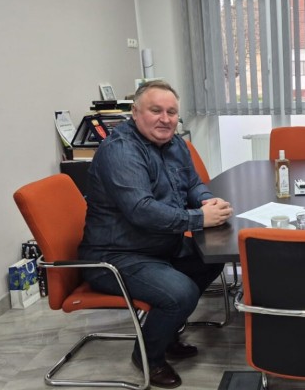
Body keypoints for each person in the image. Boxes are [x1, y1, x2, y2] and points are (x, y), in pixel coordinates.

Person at [78, 80, 232, 388]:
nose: (165, 119)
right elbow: (142, 211)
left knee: (212, 258)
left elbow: (193, 183)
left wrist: (205, 200)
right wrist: (199, 218)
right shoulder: (121, 151)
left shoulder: (175, 143)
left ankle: (165, 331)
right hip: (116, 256)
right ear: (135, 113)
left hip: (159, 246)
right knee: (180, 293)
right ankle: (149, 357)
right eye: (156, 110)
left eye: (171, 112)